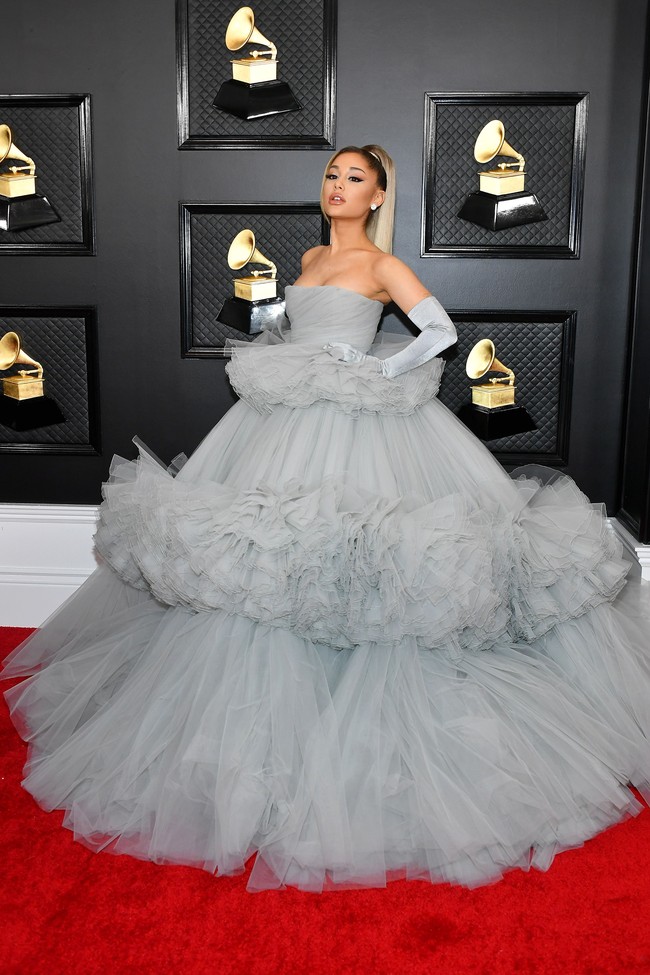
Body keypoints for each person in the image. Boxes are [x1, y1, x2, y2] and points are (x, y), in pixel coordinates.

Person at [2, 145, 650, 893]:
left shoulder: (381, 266)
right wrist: (283, 337)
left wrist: (379, 367)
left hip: (363, 428)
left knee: (366, 557)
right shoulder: (308, 254)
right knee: (270, 559)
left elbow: (438, 332)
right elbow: (287, 324)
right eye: (332, 176)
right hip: (280, 424)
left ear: (377, 196)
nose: (337, 187)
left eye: (354, 180)